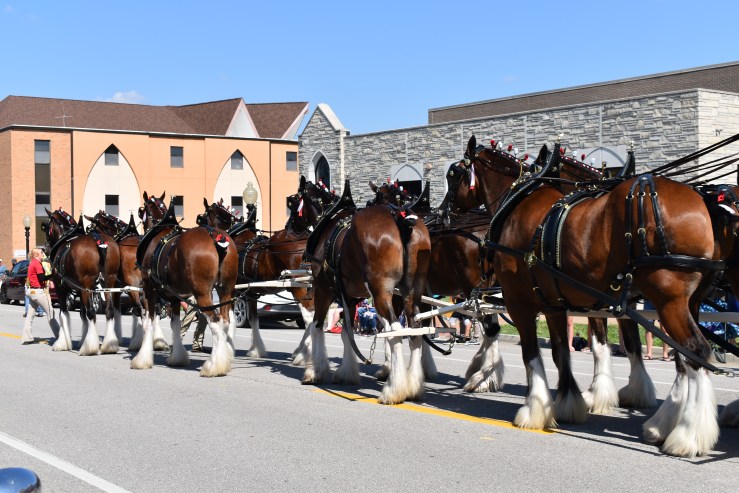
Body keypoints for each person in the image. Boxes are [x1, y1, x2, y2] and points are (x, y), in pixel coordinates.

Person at [21, 248, 59, 344]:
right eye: (41, 253)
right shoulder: (37, 263)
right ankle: (60, 336)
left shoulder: (32, 263)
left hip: (31, 291)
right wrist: (52, 274)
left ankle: (26, 338)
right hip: (38, 292)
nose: (43, 254)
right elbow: (42, 277)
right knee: (50, 313)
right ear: (37, 255)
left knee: (30, 315)